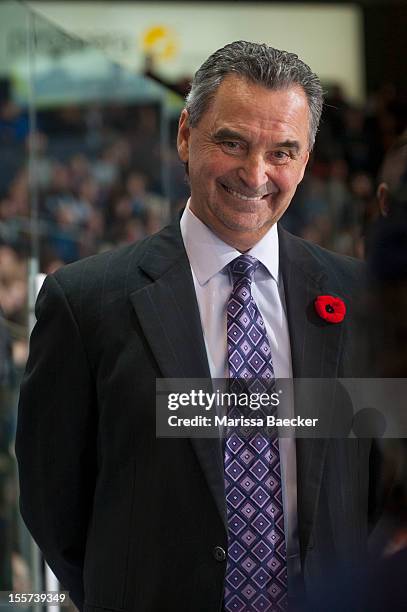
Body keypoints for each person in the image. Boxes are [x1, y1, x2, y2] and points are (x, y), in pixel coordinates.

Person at [16, 41, 379, 612]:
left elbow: (379, 488)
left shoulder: (361, 299)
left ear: (307, 160)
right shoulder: (86, 302)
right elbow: (52, 501)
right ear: (186, 134)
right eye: (232, 142)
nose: (255, 173)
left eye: (282, 152)